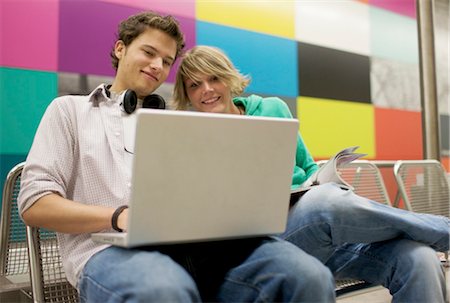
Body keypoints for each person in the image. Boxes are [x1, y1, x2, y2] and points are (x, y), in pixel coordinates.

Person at [17, 12, 336, 303]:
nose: (158, 65)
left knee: (309, 277)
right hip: (111, 251)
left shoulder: (183, 121)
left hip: (206, 249)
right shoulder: (69, 111)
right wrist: (120, 216)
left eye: (166, 60)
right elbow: (34, 203)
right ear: (120, 49)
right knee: (164, 291)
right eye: (149, 52)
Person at [173, 45, 450, 303]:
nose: (207, 90)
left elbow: (306, 168)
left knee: (420, 259)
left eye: (213, 79)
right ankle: (441, 230)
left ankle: (431, 235)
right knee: (325, 203)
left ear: (228, 78)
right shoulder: (191, 138)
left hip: (318, 225)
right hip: (270, 241)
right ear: (187, 95)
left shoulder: (273, 109)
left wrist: (320, 178)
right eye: (195, 85)